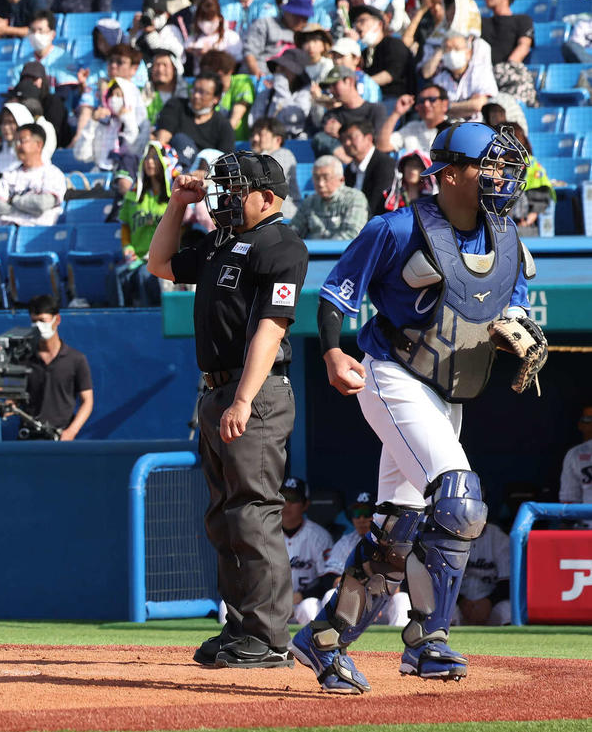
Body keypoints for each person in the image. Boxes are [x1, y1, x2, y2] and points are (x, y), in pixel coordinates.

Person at [290, 122, 541, 694]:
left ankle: (323, 639)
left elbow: (514, 306)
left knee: (396, 532)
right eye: (489, 166)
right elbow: (336, 293)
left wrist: (519, 331)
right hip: (393, 373)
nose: (503, 177)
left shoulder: (506, 238)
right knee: (459, 497)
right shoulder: (397, 227)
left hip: (449, 391)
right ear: (449, 175)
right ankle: (428, 642)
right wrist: (331, 350)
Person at [147, 150, 308, 668]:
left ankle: (269, 638)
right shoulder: (222, 239)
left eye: (238, 189)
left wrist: (242, 398)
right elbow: (160, 264)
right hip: (216, 389)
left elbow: (272, 326)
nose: (227, 196)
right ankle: (241, 628)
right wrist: (177, 205)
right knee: (224, 518)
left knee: (255, 515)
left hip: (254, 393)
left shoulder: (283, 244)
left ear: (268, 196)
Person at [310, 492, 413, 628]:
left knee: (402, 599)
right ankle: (332, 641)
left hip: (385, 604)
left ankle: (397, 648)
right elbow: (332, 578)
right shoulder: (346, 542)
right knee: (330, 595)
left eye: (367, 512)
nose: (361, 518)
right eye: (357, 513)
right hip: (354, 601)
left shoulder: (397, 540)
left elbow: (408, 582)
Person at [22, 295, 93, 441]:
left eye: (43, 320)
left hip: (61, 437)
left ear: (57, 320)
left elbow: (87, 401)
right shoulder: (23, 358)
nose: (38, 326)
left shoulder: (76, 359)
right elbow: (12, 397)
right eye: (34, 321)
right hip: (28, 437)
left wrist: (71, 431)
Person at [118, 141, 179, 306]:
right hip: (136, 257)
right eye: (147, 158)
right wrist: (127, 248)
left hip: (164, 260)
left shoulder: (175, 195)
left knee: (144, 275)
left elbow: (183, 229)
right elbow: (125, 226)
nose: (149, 162)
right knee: (117, 276)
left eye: (154, 158)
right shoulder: (134, 195)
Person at [277, 477, 337, 624]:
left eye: (294, 499)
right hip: (272, 604)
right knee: (227, 607)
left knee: (309, 607)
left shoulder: (319, 536)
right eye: (283, 497)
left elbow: (328, 581)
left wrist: (303, 595)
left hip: (304, 603)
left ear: (305, 505)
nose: (287, 504)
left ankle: (307, 647)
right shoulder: (264, 534)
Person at [0, 124, 67, 227]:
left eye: (22, 141)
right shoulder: (9, 175)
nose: (17, 146)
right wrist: (27, 207)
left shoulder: (53, 173)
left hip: (37, 233)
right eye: (16, 142)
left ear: (38, 145)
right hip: (7, 230)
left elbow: (42, 204)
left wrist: (13, 200)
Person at [153, 71, 236, 160]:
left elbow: (225, 162)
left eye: (202, 92)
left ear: (216, 98)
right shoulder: (176, 105)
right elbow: (162, 139)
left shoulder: (223, 126)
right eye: (194, 90)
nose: (196, 95)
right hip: (171, 164)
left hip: (203, 171)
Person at [424, 32, 498, 123]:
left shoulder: (479, 70)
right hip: (447, 128)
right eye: (448, 49)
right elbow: (434, 110)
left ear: (468, 53)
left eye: (456, 48)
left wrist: (447, 107)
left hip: (478, 126)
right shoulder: (440, 77)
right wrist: (467, 105)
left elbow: (478, 105)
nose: (451, 53)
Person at [291, 155, 369, 239]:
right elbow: (293, 232)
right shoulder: (309, 201)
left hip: (343, 251)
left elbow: (353, 234)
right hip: (312, 251)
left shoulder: (355, 198)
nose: (321, 184)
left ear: (341, 180)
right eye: (316, 178)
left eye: (326, 177)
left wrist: (325, 248)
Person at [454, 514, 512, 626]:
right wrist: (459, 600)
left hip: (490, 603)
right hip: (459, 602)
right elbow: (442, 580)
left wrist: (490, 601)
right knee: (447, 610)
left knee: (506, 611)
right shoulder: (451, 534)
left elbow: (507, 582)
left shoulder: (498, 537)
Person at [350, 4, 414, 103]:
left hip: (394, 97)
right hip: (371, 98)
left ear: (379, 24)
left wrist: (363, 83)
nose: (358, 25)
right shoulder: (365, 52)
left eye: (362, 21)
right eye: (356, 22)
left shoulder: (394, 44)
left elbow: (390, 74)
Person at [243, 0, 313, 79]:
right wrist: (258, 76)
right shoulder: (266, 24)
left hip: (292, 81)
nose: (302, 22)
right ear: (287, 12)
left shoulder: (307, 33)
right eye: (298, 17)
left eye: (305, 18)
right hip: (262, 75)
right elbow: (250, 53)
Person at [340, 120, 395, 218]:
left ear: (369, 138)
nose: (347, 143)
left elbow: (378, 206)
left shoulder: (385, 165)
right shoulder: (349, 169)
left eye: (351, 138)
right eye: (343, 140)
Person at [376, 84, 450, 155]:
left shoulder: (455, 128)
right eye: (422, 101)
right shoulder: (412, 128)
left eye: (432, 99)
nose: (426, 104)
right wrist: (396, 113)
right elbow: (382, 147)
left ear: (445, 104)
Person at [249, 118, 300, 221]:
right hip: (263, 212)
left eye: (260, 135)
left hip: (284, 213)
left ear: (277, 140)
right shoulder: (253, 158)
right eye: (253, 134)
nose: (255, 139)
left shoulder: (285, 155)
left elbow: (268, 178)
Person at [183, 0, 244, 73]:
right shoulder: (194, 38)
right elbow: (186, 49)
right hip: (199, 79)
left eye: (210, 19)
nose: (206, 23)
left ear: (219, 18)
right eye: (203, 19)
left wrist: (213, 54)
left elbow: (238, 60)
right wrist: (193, 52)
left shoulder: (231, 37)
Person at [382, 149, 438, 213]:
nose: (412, 171)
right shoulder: (389, 196)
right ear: (403, 168)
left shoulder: (431, 198)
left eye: (417, 166)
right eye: (409, 165)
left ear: (424, 171)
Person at [559, 406, 592, 505]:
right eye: (588, 419)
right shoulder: (575, 454)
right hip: (588, 519)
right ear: (580, 424)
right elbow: (569, 499)